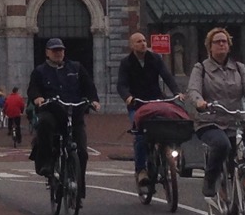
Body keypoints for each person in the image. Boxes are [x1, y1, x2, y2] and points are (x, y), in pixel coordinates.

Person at [186, 28, 245, 196]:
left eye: (224, 41)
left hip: (234, 121)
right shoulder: (201, 68)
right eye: (217, 42)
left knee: (243, 154)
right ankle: (210, 179)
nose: (221, 44)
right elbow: (193, 90)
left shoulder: (238, 67)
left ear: (229, 46)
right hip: (209, 122)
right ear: (210, 47)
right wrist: (199, 102)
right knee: (222, 144)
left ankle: (239, 193)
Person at [28, 38, 99, 181]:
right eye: (54, 50)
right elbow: (33, 88)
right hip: (51, 111)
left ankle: (79, 184)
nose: (58, 53)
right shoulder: (40, 71)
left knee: (82, 151)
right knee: (44, 123)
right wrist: (38, 98)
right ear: (47, 53)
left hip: (74, 112)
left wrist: (94, 100)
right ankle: (46, 162)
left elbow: (88, 85)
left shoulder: (76, 68)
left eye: (60, 50)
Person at [116, 30, 181, 186]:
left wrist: (177, 92)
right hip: (137, 104)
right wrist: (128, 97)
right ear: (132, 45)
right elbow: (121, 84)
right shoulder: (126, 63)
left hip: (156, 101)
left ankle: (167, 157)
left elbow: (166, 76)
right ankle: (141, 170)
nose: (143, 44)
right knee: (140, 134)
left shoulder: (155, 58)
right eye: (139, 41)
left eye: (144, 41)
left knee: (169, 125)